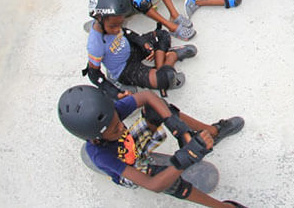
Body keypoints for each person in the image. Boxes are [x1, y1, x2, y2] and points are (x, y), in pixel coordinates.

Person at [58, 85, 246, 207]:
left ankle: (211, 132)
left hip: (132, 144)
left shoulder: (111, 113)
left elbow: (147, 96)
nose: (120, 126)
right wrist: (184, 159)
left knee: (161, 108)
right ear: (96, 138)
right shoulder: (100, 155)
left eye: (118, 120)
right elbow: (152, 185)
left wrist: (176, 125)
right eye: (115, 129)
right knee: (169, 183)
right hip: (129, 167)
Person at [83, 0, 197, 96]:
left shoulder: (112, 23)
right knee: (166, 79)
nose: (118, 29)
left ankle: (162, 67)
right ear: (99, 18)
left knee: (162, 35)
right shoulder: (95, 44)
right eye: (113, 26)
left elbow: (126, 32)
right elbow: (94, 74)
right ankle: (171, 57)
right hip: (125, 69)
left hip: (133, 48)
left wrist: (142, 42)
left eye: (120, 24)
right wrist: (115, 93)